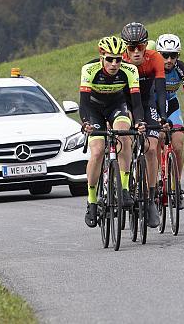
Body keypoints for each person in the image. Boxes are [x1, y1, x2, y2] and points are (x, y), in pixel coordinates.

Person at [79, 36, 146, 228]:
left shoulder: (129, 70)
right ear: (101, 57)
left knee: (124, 137)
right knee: (98, 151)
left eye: (118, 59)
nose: (114, 64)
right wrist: (85, 123)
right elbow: (83, 103)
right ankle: (92, 201)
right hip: (94, 110)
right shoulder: (89, 70)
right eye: (110, 59)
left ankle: (124, 188)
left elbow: (136, 102)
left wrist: (140, 122)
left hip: (117, 106)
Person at [121, 22, 170, 227]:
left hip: (147, 102)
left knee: (151, 147)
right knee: (125, 138)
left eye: (140, 46)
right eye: (131, 47)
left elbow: (159, 92)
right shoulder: (119, 61)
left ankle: (149, 198)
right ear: (125, 48)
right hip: (125, 102)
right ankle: (122, 181)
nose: (136, 51)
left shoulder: (155, 58)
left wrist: (162, 116)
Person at [156, 33, 184, 209]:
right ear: (158, 54)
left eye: (173, 55)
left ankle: (177, 185)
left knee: (178, 143)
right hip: (155, 105)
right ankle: (157, 177)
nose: (168, 59)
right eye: (164, 55)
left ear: (178, 56)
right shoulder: (153, 68)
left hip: (172, 105)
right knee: (157, 138)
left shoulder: (181, 69)